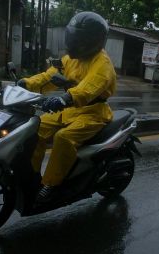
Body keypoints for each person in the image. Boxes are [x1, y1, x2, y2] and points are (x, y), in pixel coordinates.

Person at [16, 12, 116, 203]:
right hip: (69, 110)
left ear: (93, 41)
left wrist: (65, 98)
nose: (73, 44)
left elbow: (88, 89)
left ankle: (51, 185)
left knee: (63, 138)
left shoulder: (103, 65)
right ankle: (31, 176)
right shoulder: (71, 58)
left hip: (92, 113)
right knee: (34, 129)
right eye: (72, 38)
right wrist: (26, 83)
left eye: (78, 40)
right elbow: (50, 76)